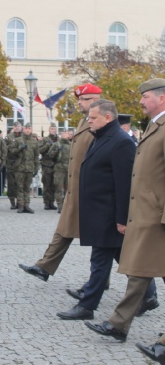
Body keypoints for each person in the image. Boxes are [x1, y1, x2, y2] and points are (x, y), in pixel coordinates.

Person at [85, 78, 165, 351]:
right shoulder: (155, 126)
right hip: (146, 216)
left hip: (158, 217)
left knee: (142, 270)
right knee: (140, 272)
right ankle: (119, 325)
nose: (141, 102)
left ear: (161, 99)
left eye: (146, 97)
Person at [56, 99, 144, 320]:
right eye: (89, 117)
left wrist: (122, 218)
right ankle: (148, 295)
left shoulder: (121, 142)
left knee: (99, 261)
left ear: (108, 117)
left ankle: (87, 306)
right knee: (122, 257)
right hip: (99, 212)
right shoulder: (102, 137)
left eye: (93, 118)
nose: (89, 121)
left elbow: (125, 184)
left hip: (109, 214)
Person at [18, 83, 101, 278]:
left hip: (90, 189)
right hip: (76, 187)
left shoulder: (101, 123)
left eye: (84, 99)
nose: (79, 102)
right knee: (64, 229)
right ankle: (45, 266)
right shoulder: (84, 121)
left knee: (105, 243)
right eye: (79, 99)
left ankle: (144, 291)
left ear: (96, 100)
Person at [8, 122, 39, 214]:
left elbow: (36, 156)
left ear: (31, 130)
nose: (27, 130)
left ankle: (27, 205)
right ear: (23, 129)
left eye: (29, 128)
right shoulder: (18, 140)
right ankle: (21, 205)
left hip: (29, 168)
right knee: (20, 187)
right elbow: (11, 151)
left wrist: (36, 168)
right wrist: (19, 149)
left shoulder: (34, 142)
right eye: (26, 128)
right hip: (20, 167)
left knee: (27, 188)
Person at [48, 129, 71, 213]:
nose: (65, 134)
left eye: (66, 133)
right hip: (59, 168)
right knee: (58, 187)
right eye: (63, 133)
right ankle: (60, 206)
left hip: (69, 168)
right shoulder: (56, 144)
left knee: (69, 189)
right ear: (61, 134)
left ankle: (67, 205)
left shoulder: (71, 145)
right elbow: (50, 155)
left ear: (69, 135)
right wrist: (57, 150)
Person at [39, 122, 58, 210]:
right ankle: (46, 202)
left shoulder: (58, 140)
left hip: (56, 165)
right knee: (46, 184)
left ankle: (52, 202)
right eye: (51, 129)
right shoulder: (45, 139)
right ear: (49, 130)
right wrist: (47, 145)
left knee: (54, 185)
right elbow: (40, 150)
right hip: (46, 164)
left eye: (54, 129)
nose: (53, 130)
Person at [5, 121, 23, 209]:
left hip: (21, 163)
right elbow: (6, 148)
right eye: (15, 126)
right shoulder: (9, 137)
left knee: (20, 184)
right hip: (11, 163)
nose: (17, 128)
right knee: (11, 184)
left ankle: (20, 202)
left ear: (21, 127)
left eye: (18, 126)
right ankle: (12, 201)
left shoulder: (23, 137)